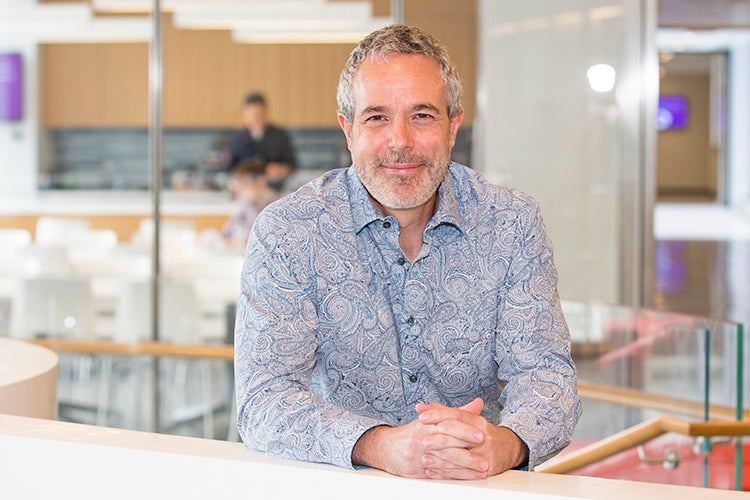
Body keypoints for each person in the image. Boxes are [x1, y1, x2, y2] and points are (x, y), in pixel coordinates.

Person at [234, 24, 581, 480]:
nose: (400, 141)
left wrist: (503, 443)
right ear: (348, 129)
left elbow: (548, 377)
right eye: (377, 117)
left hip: (475, 485)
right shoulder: (289, 233)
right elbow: (263, 398)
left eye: (421, 115)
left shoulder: (512, 224)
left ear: (453, 126)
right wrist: (381, 445)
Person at [225, 92, 297, 192]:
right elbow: (228, 168)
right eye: (251, 115)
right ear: (245, 114)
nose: (256, 118)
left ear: (266, 112)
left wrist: (281, 169)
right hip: (245, 191)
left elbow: (292, 164)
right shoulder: (236, 138)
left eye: (259, 114)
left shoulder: (280, 135)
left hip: (275, 190)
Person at [221, 158, 278, 248]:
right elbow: (225, 234)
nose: (240, 194)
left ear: (260, 181)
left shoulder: (280, 210)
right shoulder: (247, 208)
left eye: (243, 187)